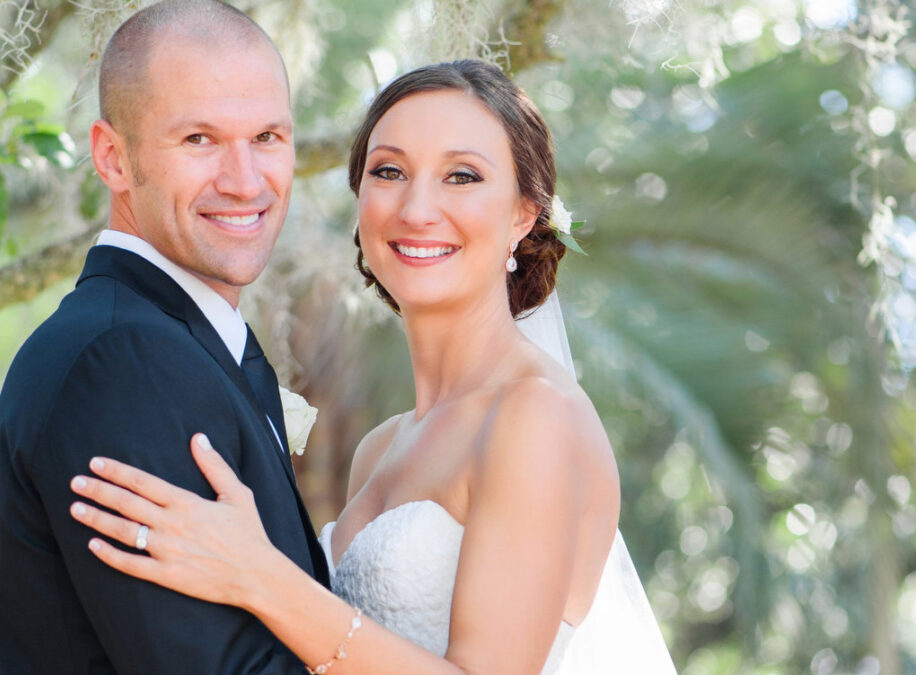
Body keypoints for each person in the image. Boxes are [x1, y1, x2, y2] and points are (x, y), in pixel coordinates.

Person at [68, 60, 677, 673]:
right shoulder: (380, 447)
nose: (416, 209)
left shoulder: (535, 414)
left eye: (462, 176)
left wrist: (260, 577)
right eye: (389, 171)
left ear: (523, 213)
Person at [0, 1, 329, 673]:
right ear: (111, 156)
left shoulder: (168, 339)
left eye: (267, 137)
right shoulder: (123, 363)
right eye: (199, 139)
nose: (245, 180)